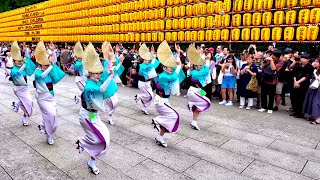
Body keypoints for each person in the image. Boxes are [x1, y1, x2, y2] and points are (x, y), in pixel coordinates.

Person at [76, 43, 111, 175]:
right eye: (96, 73)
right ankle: (83, 143)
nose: (98, 75)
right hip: (86, 117)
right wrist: (112, 77)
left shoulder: (96, 81)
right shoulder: (89, 86)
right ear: (90, 73)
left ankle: (91, 160)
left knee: (104, 140)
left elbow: (106, 74)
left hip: (93, 116)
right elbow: (101, 89)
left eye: (99, 73)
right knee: (99, 140)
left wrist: (109, 58)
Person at [152, 40, 184, 147]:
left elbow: (176, 68)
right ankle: (156, 120)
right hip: (160, 101)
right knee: (174, 116)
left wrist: (178, 54)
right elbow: (176, 74)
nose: (172, 68)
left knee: (170, 119)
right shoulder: (163, 76)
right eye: (169, 66)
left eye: (171, 67)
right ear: (164, 67)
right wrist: (179, 64)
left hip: (164, 100)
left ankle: (160, 137)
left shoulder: (168, 74)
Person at [34, 40, 65, 145]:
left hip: (51, 98)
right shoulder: (38, 73)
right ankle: (49, 135)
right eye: (45, 65)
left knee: (53, 117)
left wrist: (52, 52)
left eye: (47, 65)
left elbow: (54, 64)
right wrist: (51, 65)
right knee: (50, 115)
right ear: (39, 64)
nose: (47, 66)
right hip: (42, 99)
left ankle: (43, 126)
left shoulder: (49, 71)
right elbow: (43, 75)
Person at [10, 41, 36, 126]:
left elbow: (29, 65)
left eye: (20, 60)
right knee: (27, 102)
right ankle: (24, 116)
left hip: (25, 88)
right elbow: (18, 73)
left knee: (29, 103)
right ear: (13, 62)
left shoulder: (23, 66)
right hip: (18, 89)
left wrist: (26, 52)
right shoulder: (13, 70)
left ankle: (19, 108)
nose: (19, 62)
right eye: (17, 61)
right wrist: (24, 65)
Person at [187, 45, 211, 131]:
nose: (201, 66)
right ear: (196, 66)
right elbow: (207, 69)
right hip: (193, 91)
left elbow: (204, 68)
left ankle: (194, 121)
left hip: (197, 90)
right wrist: (207, 59)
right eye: (199, 65)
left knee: (198, 106)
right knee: (207, 102)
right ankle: (190, 105)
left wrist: (202, 54)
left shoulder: (195, 71)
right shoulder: (196, 73)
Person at [100, 42, 122, 125]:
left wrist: (114, 53)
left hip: (108, 89)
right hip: (103, 91)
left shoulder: (109, 69)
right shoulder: (90, 85)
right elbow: (109, 63)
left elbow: (112, 63)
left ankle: (109, 116)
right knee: (94, 111)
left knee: (115, 104)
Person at [135, 43, 159, 115]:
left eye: (149, 60)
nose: (148, 61)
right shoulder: (141, 66)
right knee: (149, 95)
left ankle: (144, 107)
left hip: (147, 83)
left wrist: (152, 52)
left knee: (151, 97)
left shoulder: (150, 65)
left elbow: (154, 61)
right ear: (143, 59)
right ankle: (139, 96)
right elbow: (141, 73)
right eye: (146, 59)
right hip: (142, 83)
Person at [290, 54, 314, 118]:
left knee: (301, 99)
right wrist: (295, 82)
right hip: (295, 83)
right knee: (293, 98)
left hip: (304, 84)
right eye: (301, 58)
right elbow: (294, 73)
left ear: (308, 59)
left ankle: (300, 113)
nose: (302, 59)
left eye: (304, 58)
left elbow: (307, 76)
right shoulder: (298, 65)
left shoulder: (310, 67)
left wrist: (298, 82)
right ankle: (295, 111)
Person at [303, 58, 320, 124]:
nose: (315, 63)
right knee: (312, 101)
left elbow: (318, 79)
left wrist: (315, 73)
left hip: (318, 88)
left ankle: (318, 119)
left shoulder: (316, 70)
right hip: (313, 87)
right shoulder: (316, 69)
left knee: (317, 102)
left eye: (317, 62)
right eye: (315, 61)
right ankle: (313, 116)